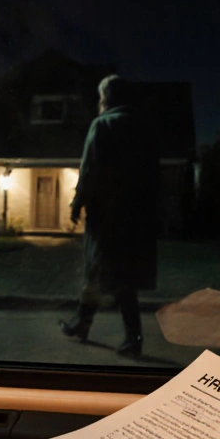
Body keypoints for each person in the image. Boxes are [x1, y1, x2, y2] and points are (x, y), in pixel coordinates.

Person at [60, 75, 160, 357]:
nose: (99, 100)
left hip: (107, 215)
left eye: (101, 95)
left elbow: (90, 168)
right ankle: (83, 322)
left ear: (107, 97)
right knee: (119, 273)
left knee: (106, 271)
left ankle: (132, 338)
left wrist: (77, 203)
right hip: (139, 216)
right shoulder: (146, 128)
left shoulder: (103, 124)